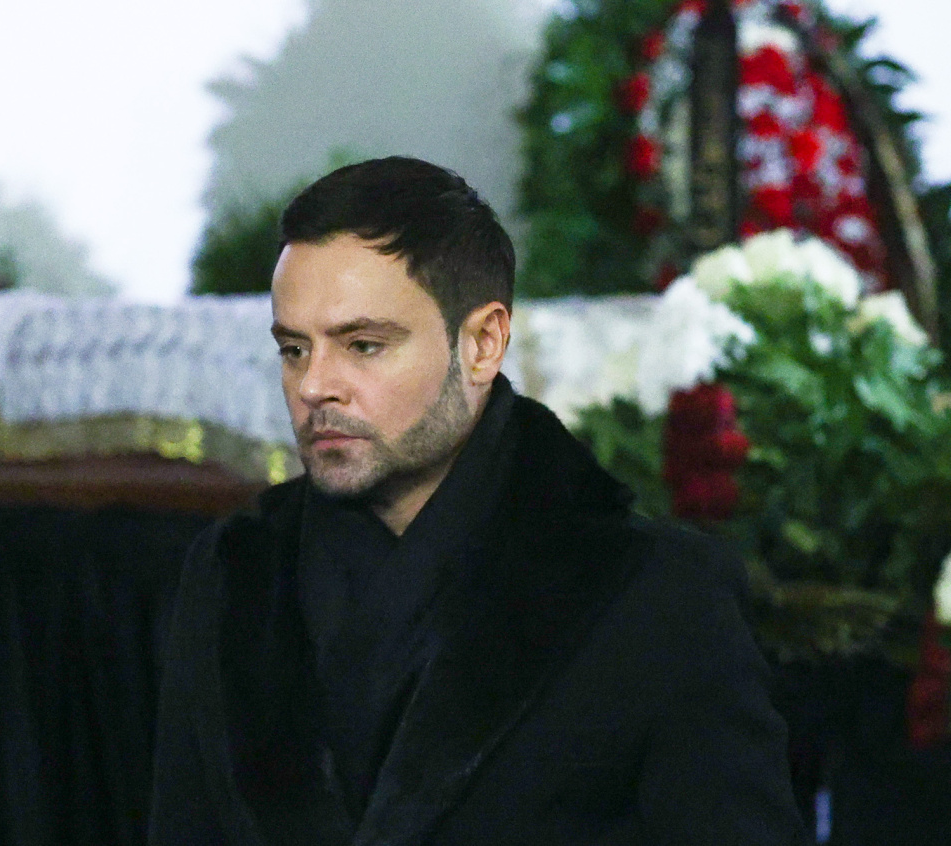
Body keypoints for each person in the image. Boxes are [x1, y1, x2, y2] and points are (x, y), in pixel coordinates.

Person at [149, 156, 805, 845]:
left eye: (363, 345)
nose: (315, 386)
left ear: (483, 344)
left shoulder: (655, 594)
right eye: (293, 350)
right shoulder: (233, 571)